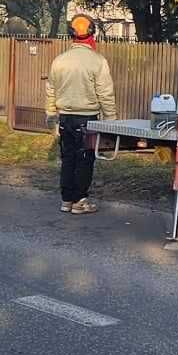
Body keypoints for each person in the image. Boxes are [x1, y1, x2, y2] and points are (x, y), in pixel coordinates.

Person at [45, 15, 116, 215]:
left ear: (71, 34)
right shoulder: (98, 61)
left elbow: (51, 90)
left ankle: (66, 200)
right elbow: (106, 94)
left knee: (68, 158)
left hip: (65, 118)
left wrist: (51, 115)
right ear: (92, 33)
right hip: (88, 119)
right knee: (85, 160)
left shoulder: (59, 61)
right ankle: (80, 201)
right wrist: (111, 122)